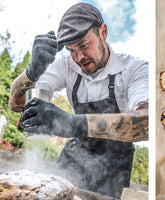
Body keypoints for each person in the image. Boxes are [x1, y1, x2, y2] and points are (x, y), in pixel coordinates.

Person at [9, 3, 148, 198]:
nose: (79, 57)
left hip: (115, 169)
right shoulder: (65, 66)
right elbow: (16, 105)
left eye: (83, 45)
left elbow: (148, 123)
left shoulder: (135, 69)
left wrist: (75, 123)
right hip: (72, 159)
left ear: (103, 32)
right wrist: (32, 72)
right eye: (71, 50)